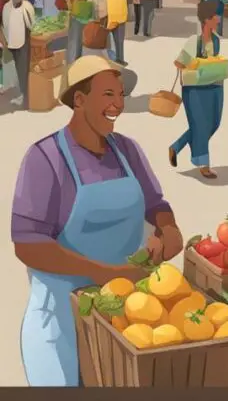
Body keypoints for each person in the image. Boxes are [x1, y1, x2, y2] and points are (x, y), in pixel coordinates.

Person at [12, 56, 183, 386]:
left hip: (124, 315)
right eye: (108, 95)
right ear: (79, 100)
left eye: (121, 95)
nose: (118, 105)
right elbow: (28, 244)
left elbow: (156, 204)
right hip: (61, 320)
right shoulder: (45, 158)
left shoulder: (128, 151)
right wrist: (104, 274)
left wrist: (169, 230)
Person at [170, 0, 225, 180]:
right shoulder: (193, 41)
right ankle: (203, 164)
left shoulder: (216, 41)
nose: (219, 18)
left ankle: (176, 146)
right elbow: (178, 63)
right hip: (195, 91)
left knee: (214, 123)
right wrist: (195, 65)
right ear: (206, 19)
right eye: (216, 15)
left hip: (215, 87)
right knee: (200, 126)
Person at [1, 0, 35, 107]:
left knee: (22, 69)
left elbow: (31, 25)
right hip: (11, 43)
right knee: (16, 68)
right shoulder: (7, 7)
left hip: (23, 42)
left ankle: (24, 96)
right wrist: (5, 41)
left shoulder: (26, 7)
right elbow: (5, 24)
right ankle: (21, 92)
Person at [104, 0, 129, 65]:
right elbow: (125, 8)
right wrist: (125, 18)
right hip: (121, 20)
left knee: (108, 42)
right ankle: (120, 60)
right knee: (119, 41)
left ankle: (110, 60)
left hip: (110, 20)